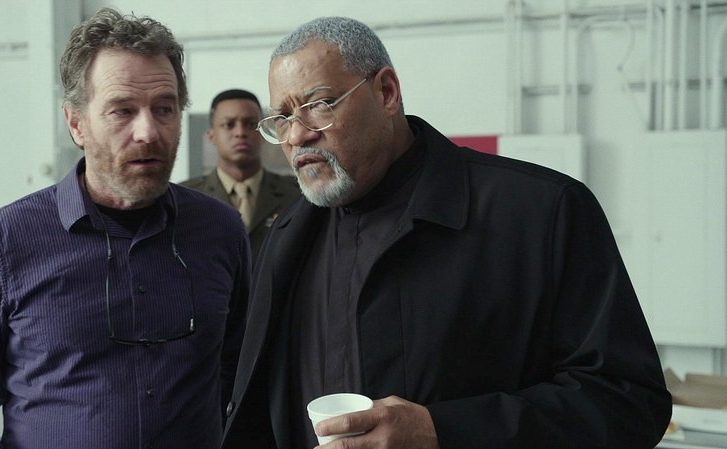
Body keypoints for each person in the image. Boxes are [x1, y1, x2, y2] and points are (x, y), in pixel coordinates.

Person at [221, 16, 672, 449]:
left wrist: (445, 431)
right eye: (282, 118)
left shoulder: (541, 212)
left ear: (386, 92)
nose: (297, 136)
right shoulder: (286, 236)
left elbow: (628, 402)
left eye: (319, 105)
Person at [0, 8, 249, 449]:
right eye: (122, 110)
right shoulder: (4, 243)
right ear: (76, 123)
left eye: (164, 109)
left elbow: (242, 378)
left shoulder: (220, 230)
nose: (148, 132)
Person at [182, 89, 300, 264]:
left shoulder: (296, 195)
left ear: (263, 133)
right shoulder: (186, 198)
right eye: (228, 125)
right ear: (212, 136)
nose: (240, 133)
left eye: (250, 124)